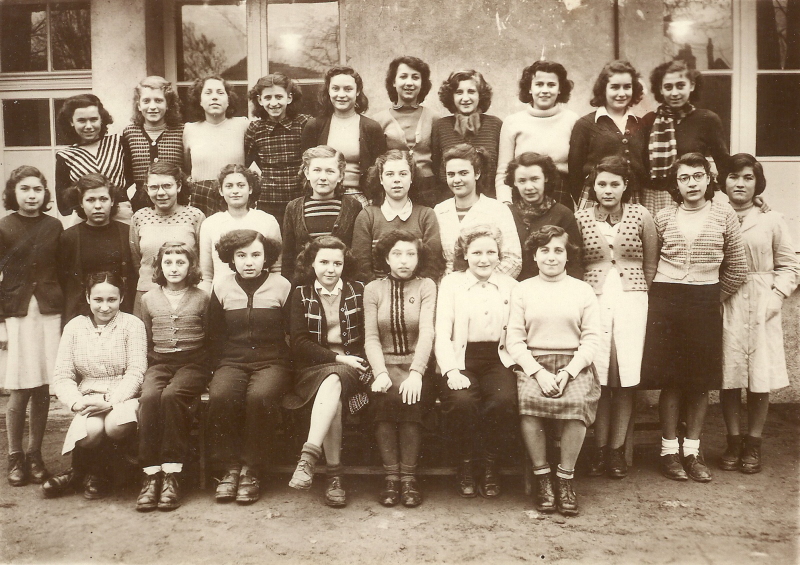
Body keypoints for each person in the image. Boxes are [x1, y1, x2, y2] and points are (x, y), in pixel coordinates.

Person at [640, 152, 747, 483]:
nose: (691, 183)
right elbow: (651, 263)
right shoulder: (663, 216)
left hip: (704, 300)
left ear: (708, 179)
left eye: (697, 176)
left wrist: (711, 297)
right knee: (672, 380)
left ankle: (693, 450)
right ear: (675, 182)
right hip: (666, 299)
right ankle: (669, 451)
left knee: (699, 382)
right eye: (684, 178)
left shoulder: (724, 213)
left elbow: (738, 267)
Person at [506, 225, 601, 517]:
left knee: (575, 405)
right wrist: (537, 372)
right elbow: (514, 340)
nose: (551, 257)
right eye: (544, 250)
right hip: (534, 364)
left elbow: (592, 338)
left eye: (558, 250)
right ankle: (542, 477)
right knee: (530, 407)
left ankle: (565, 478)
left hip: (573, 364)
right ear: (534, 255)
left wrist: (569, 372)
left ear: (567, 255)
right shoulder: (523, 289)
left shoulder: (582, 289)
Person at [574, 156, 658, 478]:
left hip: (631, 299)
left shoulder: (641, 215)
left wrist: (638, 290)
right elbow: (578, 262)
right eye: (601, 184)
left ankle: (616, 451)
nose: (607, 190)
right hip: (593, 298)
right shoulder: (581, 218)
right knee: (600, 374)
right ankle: (597, 449)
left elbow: (650, 262)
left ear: (626, 185)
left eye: (614, 184)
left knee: (624, 375)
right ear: (593, 186)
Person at [719, 154, 799, 474]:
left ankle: (753, 443)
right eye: (734, 176)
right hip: (726, 299)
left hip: (763, 299)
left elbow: (789, 266)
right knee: (728, 375)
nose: (740, 183)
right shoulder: (715, 213)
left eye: (748, 177)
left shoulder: (771, 218)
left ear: (757, 183)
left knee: (758, 377)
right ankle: (733, 440)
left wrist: (778, 295)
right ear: (723, 181)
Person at [284, 236, 371, 508]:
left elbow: (371, 336)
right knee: (332, 389)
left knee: (334, 380)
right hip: (312, 369)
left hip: (355, 368)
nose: (330, 269)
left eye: (337, 263)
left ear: (345, 264)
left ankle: (308, 459)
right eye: (323, 262)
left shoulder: (360, 290)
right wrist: (338, 358)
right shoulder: (299, 293)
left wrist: (349, 361)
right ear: (312, 263)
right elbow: (299, 343)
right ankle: (334, 475)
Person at [44, 272, 147, 500]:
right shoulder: (74, 327)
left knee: (114, 425)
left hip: (124, 394)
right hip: (88, 397)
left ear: (121, 298)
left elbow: (136, 372)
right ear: (88, 297)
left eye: (112, 299)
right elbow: (62, 376)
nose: (104, 306)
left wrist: (111, 400)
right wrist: (77, 402)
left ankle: (97, 474)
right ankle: (83, 472)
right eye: (98, 299)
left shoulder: (132, 325)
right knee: (91, 431)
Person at [206, 230, 291, 505]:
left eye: (256, 255)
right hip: (232, 361)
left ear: (266, 257)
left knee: (260, 397)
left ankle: (252, 469)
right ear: (231, 258)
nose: (249, 262)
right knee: (220, 396)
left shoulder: (283, 286)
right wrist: (216, 369)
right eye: (241, 256)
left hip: (272, 361)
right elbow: (214, 335)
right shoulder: (221, 287)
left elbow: (293, 332)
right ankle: (230, 469)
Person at [435, 224, 518, 499]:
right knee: (461, 401)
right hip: (461, 357)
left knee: (503, 400)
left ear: (499, 255)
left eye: (490, 252)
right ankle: (466, 464)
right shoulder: (452, 283)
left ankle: (491, 465)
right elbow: (442, 332)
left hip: (499, 358)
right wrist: (450, 369)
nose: (484, 259)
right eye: (477, 252)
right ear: (465, 254)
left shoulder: (511, 286)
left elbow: (518, 332)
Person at [136, 242, 210, 512]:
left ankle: (172, 473)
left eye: (181, 262)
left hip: (193, 363)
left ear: (191, 266)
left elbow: (210, 336)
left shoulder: (202, 297)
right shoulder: (148, 299)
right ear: (159, 267)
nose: (174, 268)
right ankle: (151, 474)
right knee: (150, 398)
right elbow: (145, 335)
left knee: (172, 396)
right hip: (160, 362)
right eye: (168, 262)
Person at [364, 230, 437, 507]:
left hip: (417, 366)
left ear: (418, 258)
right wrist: (380, 372)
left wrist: (417, 372)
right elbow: (371, 337)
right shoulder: (373, 289)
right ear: (386, 258)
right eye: (397, 254)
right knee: (384, 397)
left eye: (410, 254)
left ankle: (408, 479)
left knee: (410, 398)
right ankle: (391, 478)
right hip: (382, 365)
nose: (404, 260)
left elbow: (427, 332)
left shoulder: (426, 286)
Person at [1, 166, 63, 487]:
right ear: (14, 193)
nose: (31, 196)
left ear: (45, 193)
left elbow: (64, 271)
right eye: (24, 189)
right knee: (20, 386)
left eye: (37, 190)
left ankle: (35, 452)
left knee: (41, 385)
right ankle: (15, 455)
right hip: (17, 314)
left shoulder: (55, 226)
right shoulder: (4, 227)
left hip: (50, 313)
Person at [642, 59, 729, 217]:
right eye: (668, 87)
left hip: (694, 198)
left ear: (692, 86)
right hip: (655, 199)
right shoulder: (649, 121)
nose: (674, 93)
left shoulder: (707, 119)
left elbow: (724, 164)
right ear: (660, 89)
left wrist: (747, 197)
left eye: (680, 85)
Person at [495, 61, 579, 208]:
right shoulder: (512, 122)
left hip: (560, 197)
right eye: (539, 84)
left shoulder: (572, 120)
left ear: (560, 89)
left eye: (551, 85)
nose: (545, 90)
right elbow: (503, 171)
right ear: (529, 88)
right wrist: (505, 203)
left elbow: (578, 171)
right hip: (522, 196)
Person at [352, 150, 443, 282]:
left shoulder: (425, 215)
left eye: (403, 174)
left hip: (418, 293)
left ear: (411, 178)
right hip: (378, 295)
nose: (396, 180)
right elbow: (361, 266)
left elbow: (432, 264)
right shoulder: (367, 216)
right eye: (389, 174)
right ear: (381, 179)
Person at [301, 66, 387, 207]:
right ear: (328, 90)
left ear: (357, 91)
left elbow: (379, 170)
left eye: (348, 89)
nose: (341, 94)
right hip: (323, 195)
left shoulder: (371, 127)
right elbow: (306, 166)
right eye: (335, 88)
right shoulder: (314, 126)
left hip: (359, 196)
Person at [58, 173, 137, 325]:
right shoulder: (69, 237)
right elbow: (64, 280)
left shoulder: (127, 233)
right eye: (90, 200)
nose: (98, 206)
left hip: (122, 314)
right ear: (80, 203)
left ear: (112, 201)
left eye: (103, 199)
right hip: (82, 316)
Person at [569, 60, 648, 209]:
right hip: (595, 200)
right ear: (603, 89)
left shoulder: (640, 124)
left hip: (632, 200)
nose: (622, 93)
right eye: (614, 87)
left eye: (627, 87)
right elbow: (574, 174)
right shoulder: (585, 125)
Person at [434, 144, 521, 278]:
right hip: (451, 288)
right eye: (451, 174)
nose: (456, 180)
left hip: (490, 290)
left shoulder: (498, 210)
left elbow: (513, 260)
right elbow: (438, 261)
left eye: (463, 173)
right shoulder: (439, 211)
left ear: (477, 173)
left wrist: (480, 284)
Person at [129, 161, 205, 316]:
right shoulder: (139, 217)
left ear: (178, 186)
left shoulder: (195, 216)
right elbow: (136, 258)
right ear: (146, 189)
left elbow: (202, 260)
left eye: (167, 186)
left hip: (187, 295)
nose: (161, 193)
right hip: (146, 294)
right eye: (154, 187)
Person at [281, 146, 362, 283]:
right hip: (304, 286)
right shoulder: (293, 208)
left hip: (343, 285)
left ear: (341, 175)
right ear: (307, 173)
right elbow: (288, 256)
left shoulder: (353, 206)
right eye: (317, 170)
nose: (323, 177)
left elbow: (356, 254)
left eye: (330, 171)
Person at [198, 164, 282, 293]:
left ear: (250, 189)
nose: (235, 191)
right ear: (221, 191)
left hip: (262, 295)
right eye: (229, 186)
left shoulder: (267, 221)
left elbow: (276, 269)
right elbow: (206, 275)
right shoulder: (210, 224)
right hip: (223, 296)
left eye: (241, 185)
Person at [373, 56, 441, 208]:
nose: (409, 83)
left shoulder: (434, 118)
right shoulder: (378, 120)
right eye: (403, 76)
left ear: (422, 83)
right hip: (393, 188)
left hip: (428, 189)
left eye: (415, 77)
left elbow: (438, 159)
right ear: (393, 82)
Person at [504, 152, 583, 280]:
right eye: (522, 181)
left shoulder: (563, 214)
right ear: (514, 182)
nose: (529, 187)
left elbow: (575, 262)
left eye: (535, 179)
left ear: (546, 178)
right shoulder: (505, 213)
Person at [245, 73, 310, 227]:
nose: (274, 103)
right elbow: (247, 161)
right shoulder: (255, 129)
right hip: (269, 200)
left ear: (289, 98)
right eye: (268, 98)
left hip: (300, 198)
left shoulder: (304, 123)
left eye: (279, 97)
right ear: (260, 100)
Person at [56, 94, 131, 220]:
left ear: (102, 119)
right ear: (71, 122)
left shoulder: (119, 142)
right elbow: (63, 204)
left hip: (121, 214)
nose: (89, 126)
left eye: (93, 119)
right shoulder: (65, 156)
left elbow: (132, 178)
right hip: (85, 218)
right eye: (81, 120)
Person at [431, 70, 502, 201]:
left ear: (480, 95)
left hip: (490, 200)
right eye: (459, 92)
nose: (465, 98)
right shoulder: (440, 126)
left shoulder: (495, 124)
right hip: (451, 201)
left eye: (471, 91)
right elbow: (437, 168)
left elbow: (501, 169)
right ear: (451, 96)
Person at [183, 75, 249, 217]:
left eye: (220, 92)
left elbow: (250, 161)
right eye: (208, 93)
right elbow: (186, 166)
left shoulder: (242, 125)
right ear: (199, 101)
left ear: (228, 100)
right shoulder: (189, 129)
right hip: (201, 197)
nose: (214, 97)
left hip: (234, 195)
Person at [122, 76, 185, 212]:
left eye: (158, 101)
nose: (152, 107)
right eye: (146, 101)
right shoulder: (130, 133)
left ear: (168, 104)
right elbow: (127, 174)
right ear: (138, 105)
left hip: (176, 201)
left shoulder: (182, 131)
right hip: (141, 203)